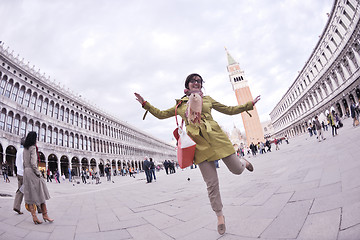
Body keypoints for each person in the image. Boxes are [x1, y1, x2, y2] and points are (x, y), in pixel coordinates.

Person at [134, 73, 259, 235]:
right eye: (193, 81)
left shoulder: (208, 100)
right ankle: (220, 216)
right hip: (199, 146)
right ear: (187, 85)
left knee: (236, 169)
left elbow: (229, 110)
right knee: (212, 184)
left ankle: (243, 162)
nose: (196, 83)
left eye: (199, 81)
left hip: (218, 139)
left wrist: (248, 105)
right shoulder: (180, 106)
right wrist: (145, 104)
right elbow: (160, 114)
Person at [23, 131, 53, 224]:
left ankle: (34, 217)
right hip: (32, 171)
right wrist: (38, 173)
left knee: (30, 194)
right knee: (41, 192)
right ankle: (45, 214)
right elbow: (33, 163)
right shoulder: (32, 148)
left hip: (26, 172)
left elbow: (24, 162)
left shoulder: (25, 148)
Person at [13, 137, 25, 214]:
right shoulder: (24, 151)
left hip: (19, 173)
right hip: (24, 174)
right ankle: (39, 207)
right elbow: (25, 163)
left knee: (20, 190)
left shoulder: (18, 150)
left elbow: (16, 163)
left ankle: (16, 206)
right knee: (32, 190)